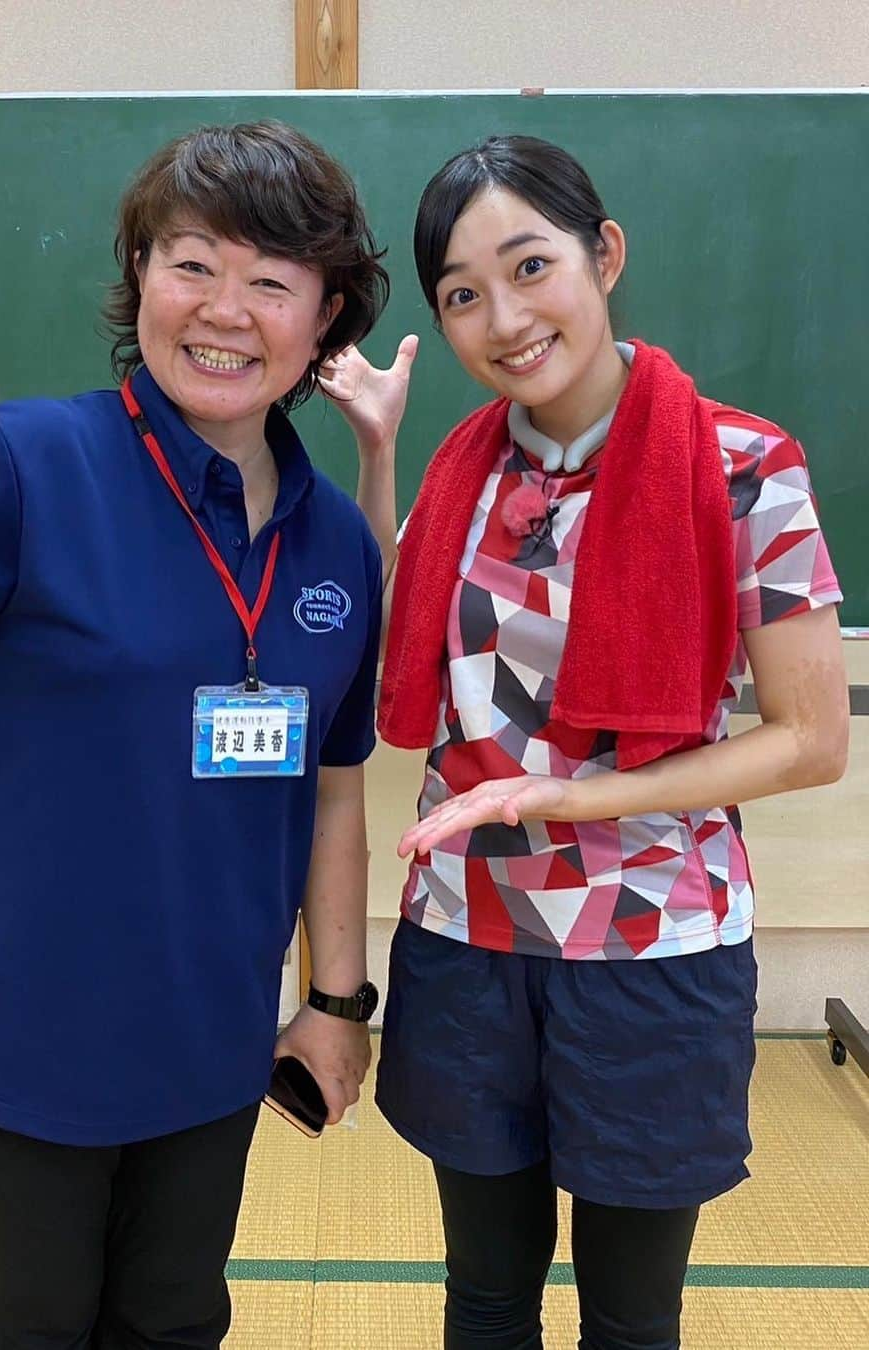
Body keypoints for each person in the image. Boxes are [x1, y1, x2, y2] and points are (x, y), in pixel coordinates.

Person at [0, 120, 387, 1349]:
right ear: (140, 279)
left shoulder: (337, 545)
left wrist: (336, 999)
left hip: (210, 1040)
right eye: (191, 263)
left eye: (271, 280)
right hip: (19, 1038)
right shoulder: (30, 465)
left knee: (174, 1325)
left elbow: (334, 785)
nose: (224, 309)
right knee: (30, 1328)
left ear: (324, 321)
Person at [323, 135, 849, 1350]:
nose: (502, 318)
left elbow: (813, 741)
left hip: (653, 940)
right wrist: (380, 452)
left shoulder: (742, 466)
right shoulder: (466, 473)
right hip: (465, 940)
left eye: (529, 266)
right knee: (488, 1297)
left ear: (603, 255)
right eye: (462, 294)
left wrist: (569, 801)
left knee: (630, 1315)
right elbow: (399, 651)